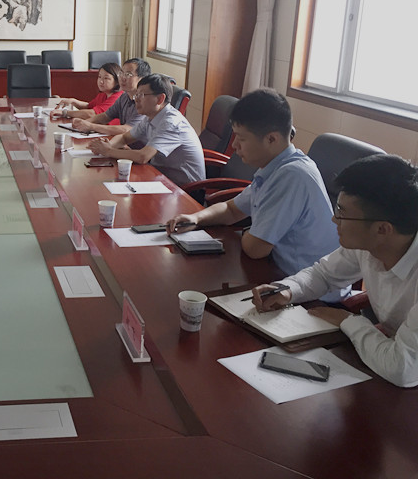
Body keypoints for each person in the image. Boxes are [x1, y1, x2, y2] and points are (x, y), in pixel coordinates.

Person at [252, 155, 418, 387]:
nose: (334, 219)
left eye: (342, 212)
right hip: (389, 354)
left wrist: (348, 320)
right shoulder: (370, 244)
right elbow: (323, 274)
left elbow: (403, 370)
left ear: (382, 229)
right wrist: (287, 290)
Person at [166, 89, 345, 298]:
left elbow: (256, 248)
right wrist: (196, 218)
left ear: (271, 139)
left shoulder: (292, 175)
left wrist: (251, 232)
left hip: (310, 294)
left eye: (241, 138)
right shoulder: (274, 168)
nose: (234, 145)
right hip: (281, 277)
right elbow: (231, 210)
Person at [87, 74, 205, 186]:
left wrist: (108, 151)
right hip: (160, 177)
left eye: (141, 95)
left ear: (160, 99)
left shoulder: (171, 123)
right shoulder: (150, 116)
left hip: (185, 189)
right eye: (136, 95)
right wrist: (107, 146)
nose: (136, 100)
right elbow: (124, 137)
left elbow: (143, 156)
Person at [70, 58, 149, 144]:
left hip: (140, 149)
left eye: (128, 74)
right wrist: (84, 123)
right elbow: (106, 116)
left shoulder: (145, 101)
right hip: (125, 145)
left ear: (142, 79)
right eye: (121, 73)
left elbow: (127, 129)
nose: (122, 78)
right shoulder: (124, 97)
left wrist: (91, 126)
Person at [52, 62, 122, 124]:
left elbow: (92, 114)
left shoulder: (117, 98)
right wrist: (73, 101)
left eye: (106, 78)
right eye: (99, 77)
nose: (101, 81)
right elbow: (88, 106)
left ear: (117, 81)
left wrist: (65, 113)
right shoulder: (104, 94)